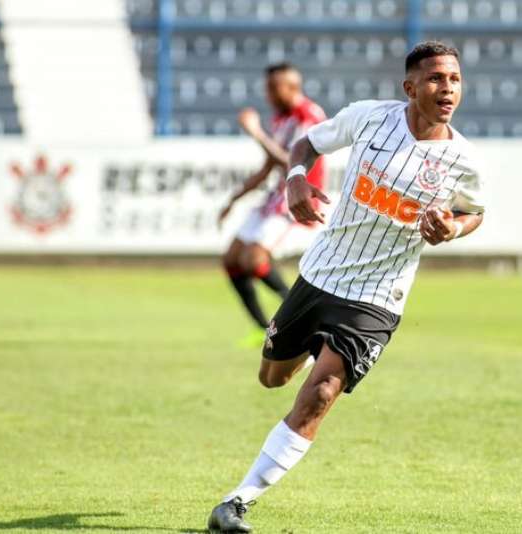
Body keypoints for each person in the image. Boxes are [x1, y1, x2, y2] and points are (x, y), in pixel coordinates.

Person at [208, 41, 486, 532]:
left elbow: (473, 211)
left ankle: (235, 502)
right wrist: (296, 179)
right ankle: (317, 349)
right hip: (321, 274)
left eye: (455, 79)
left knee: (321, 394)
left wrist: (453, 229)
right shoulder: (368, 119)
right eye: (437, 79)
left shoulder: (462, 159)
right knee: (271, 378)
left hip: (380, 297)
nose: (448, 88)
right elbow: (307, 144)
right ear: (411, 87)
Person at [219, 63, 327, 347]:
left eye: (273, 87)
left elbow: (292, 160)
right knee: (232, 259)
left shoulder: (308, 115)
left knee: (254, 260)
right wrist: (233, 199)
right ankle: (262, 328)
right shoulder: (282, 118)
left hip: (298, 202)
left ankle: (310, 317)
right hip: (274, 200)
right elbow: (269, 166)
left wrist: (256, 133)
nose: (267, 94)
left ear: (291, 87)